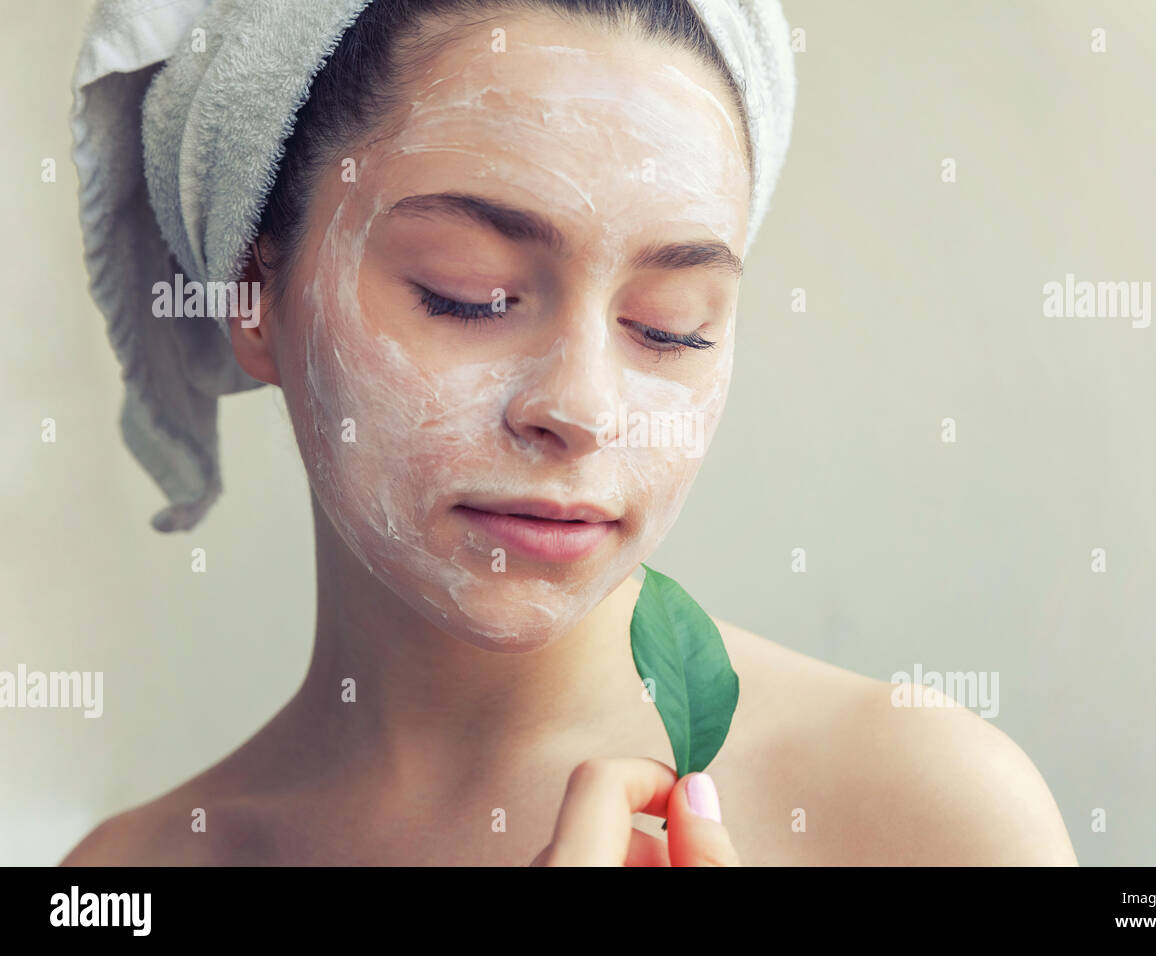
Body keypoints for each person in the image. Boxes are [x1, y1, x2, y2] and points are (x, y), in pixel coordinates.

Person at [62, 0, 1077, 866]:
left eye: (671, 323)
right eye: (470, 294)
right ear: (253, 292)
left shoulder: (920, 810)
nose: (585, 409)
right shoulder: (131, 871)